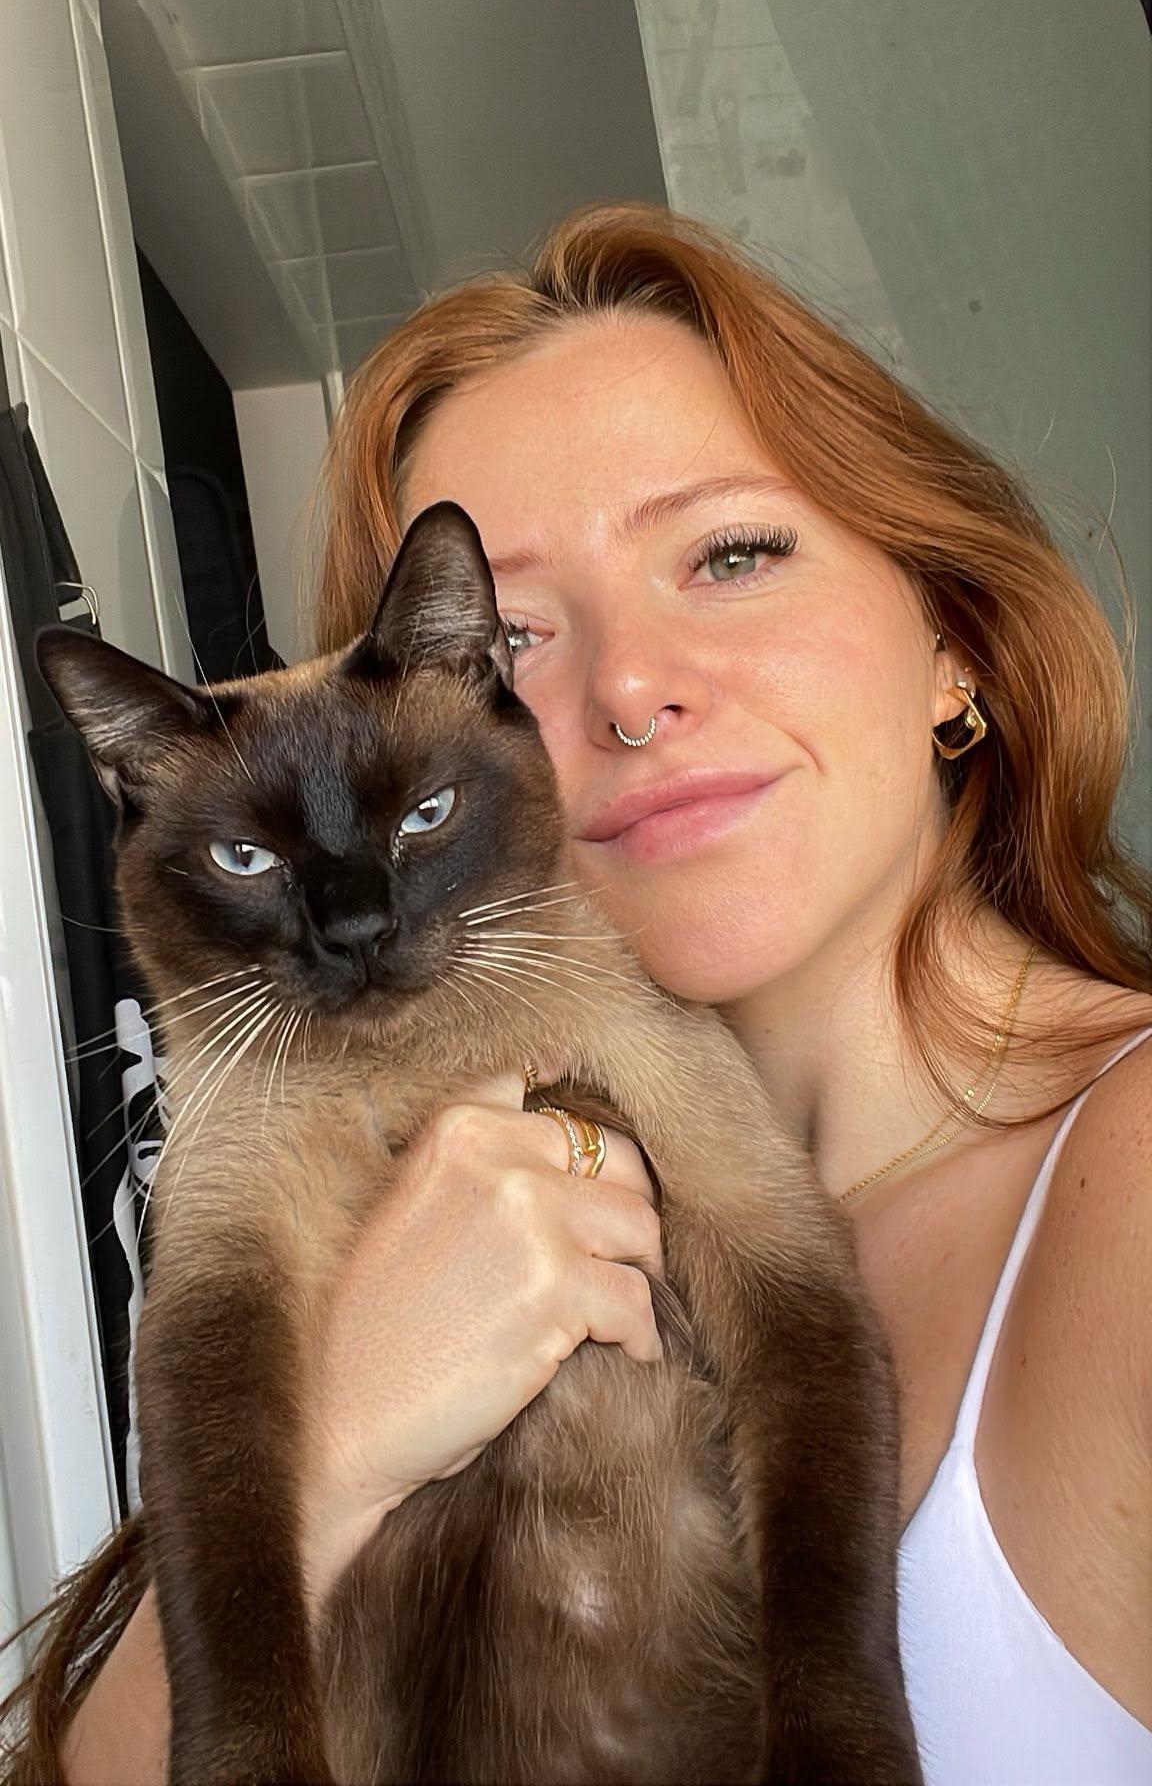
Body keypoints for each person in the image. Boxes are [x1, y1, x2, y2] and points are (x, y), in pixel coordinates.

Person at [5, 203, 1149, 1786]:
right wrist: (335, 1446)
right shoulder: (447, 1199)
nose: (625, 689)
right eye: (522, 635)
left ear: (951, 631)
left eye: (731, 554)